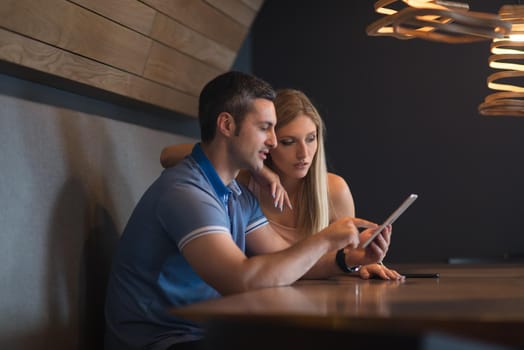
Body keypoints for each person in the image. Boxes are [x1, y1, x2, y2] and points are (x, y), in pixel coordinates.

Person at [104, 71, 390, 350]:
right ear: (227, 125)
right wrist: (325, 238)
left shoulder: (238, 194)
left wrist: (350, 258)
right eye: (265, 128)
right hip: (163, 339)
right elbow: (240, 281)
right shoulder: (188, 192)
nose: (273, 141)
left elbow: (283, 260)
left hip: (204, 332)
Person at [160, 88, 403, 280]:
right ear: (270, 139)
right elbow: (168, 155)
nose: (304, 154)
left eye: (311, 139)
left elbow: (318, 262)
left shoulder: (334, 190)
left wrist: (360, 260)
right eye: (288, 142)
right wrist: (259, 169)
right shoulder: (242, 185)